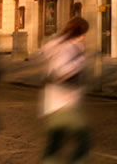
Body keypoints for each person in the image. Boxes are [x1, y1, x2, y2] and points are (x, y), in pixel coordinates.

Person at [42, 17, 92, 163]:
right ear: (79, 32)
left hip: (54, 103)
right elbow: (61, 71)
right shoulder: (69, 47)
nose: (84, 36)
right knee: (84, 141)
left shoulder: (60, 44)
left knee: (53, 146)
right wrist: (79, 62)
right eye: (84, 33)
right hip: (64, 104)